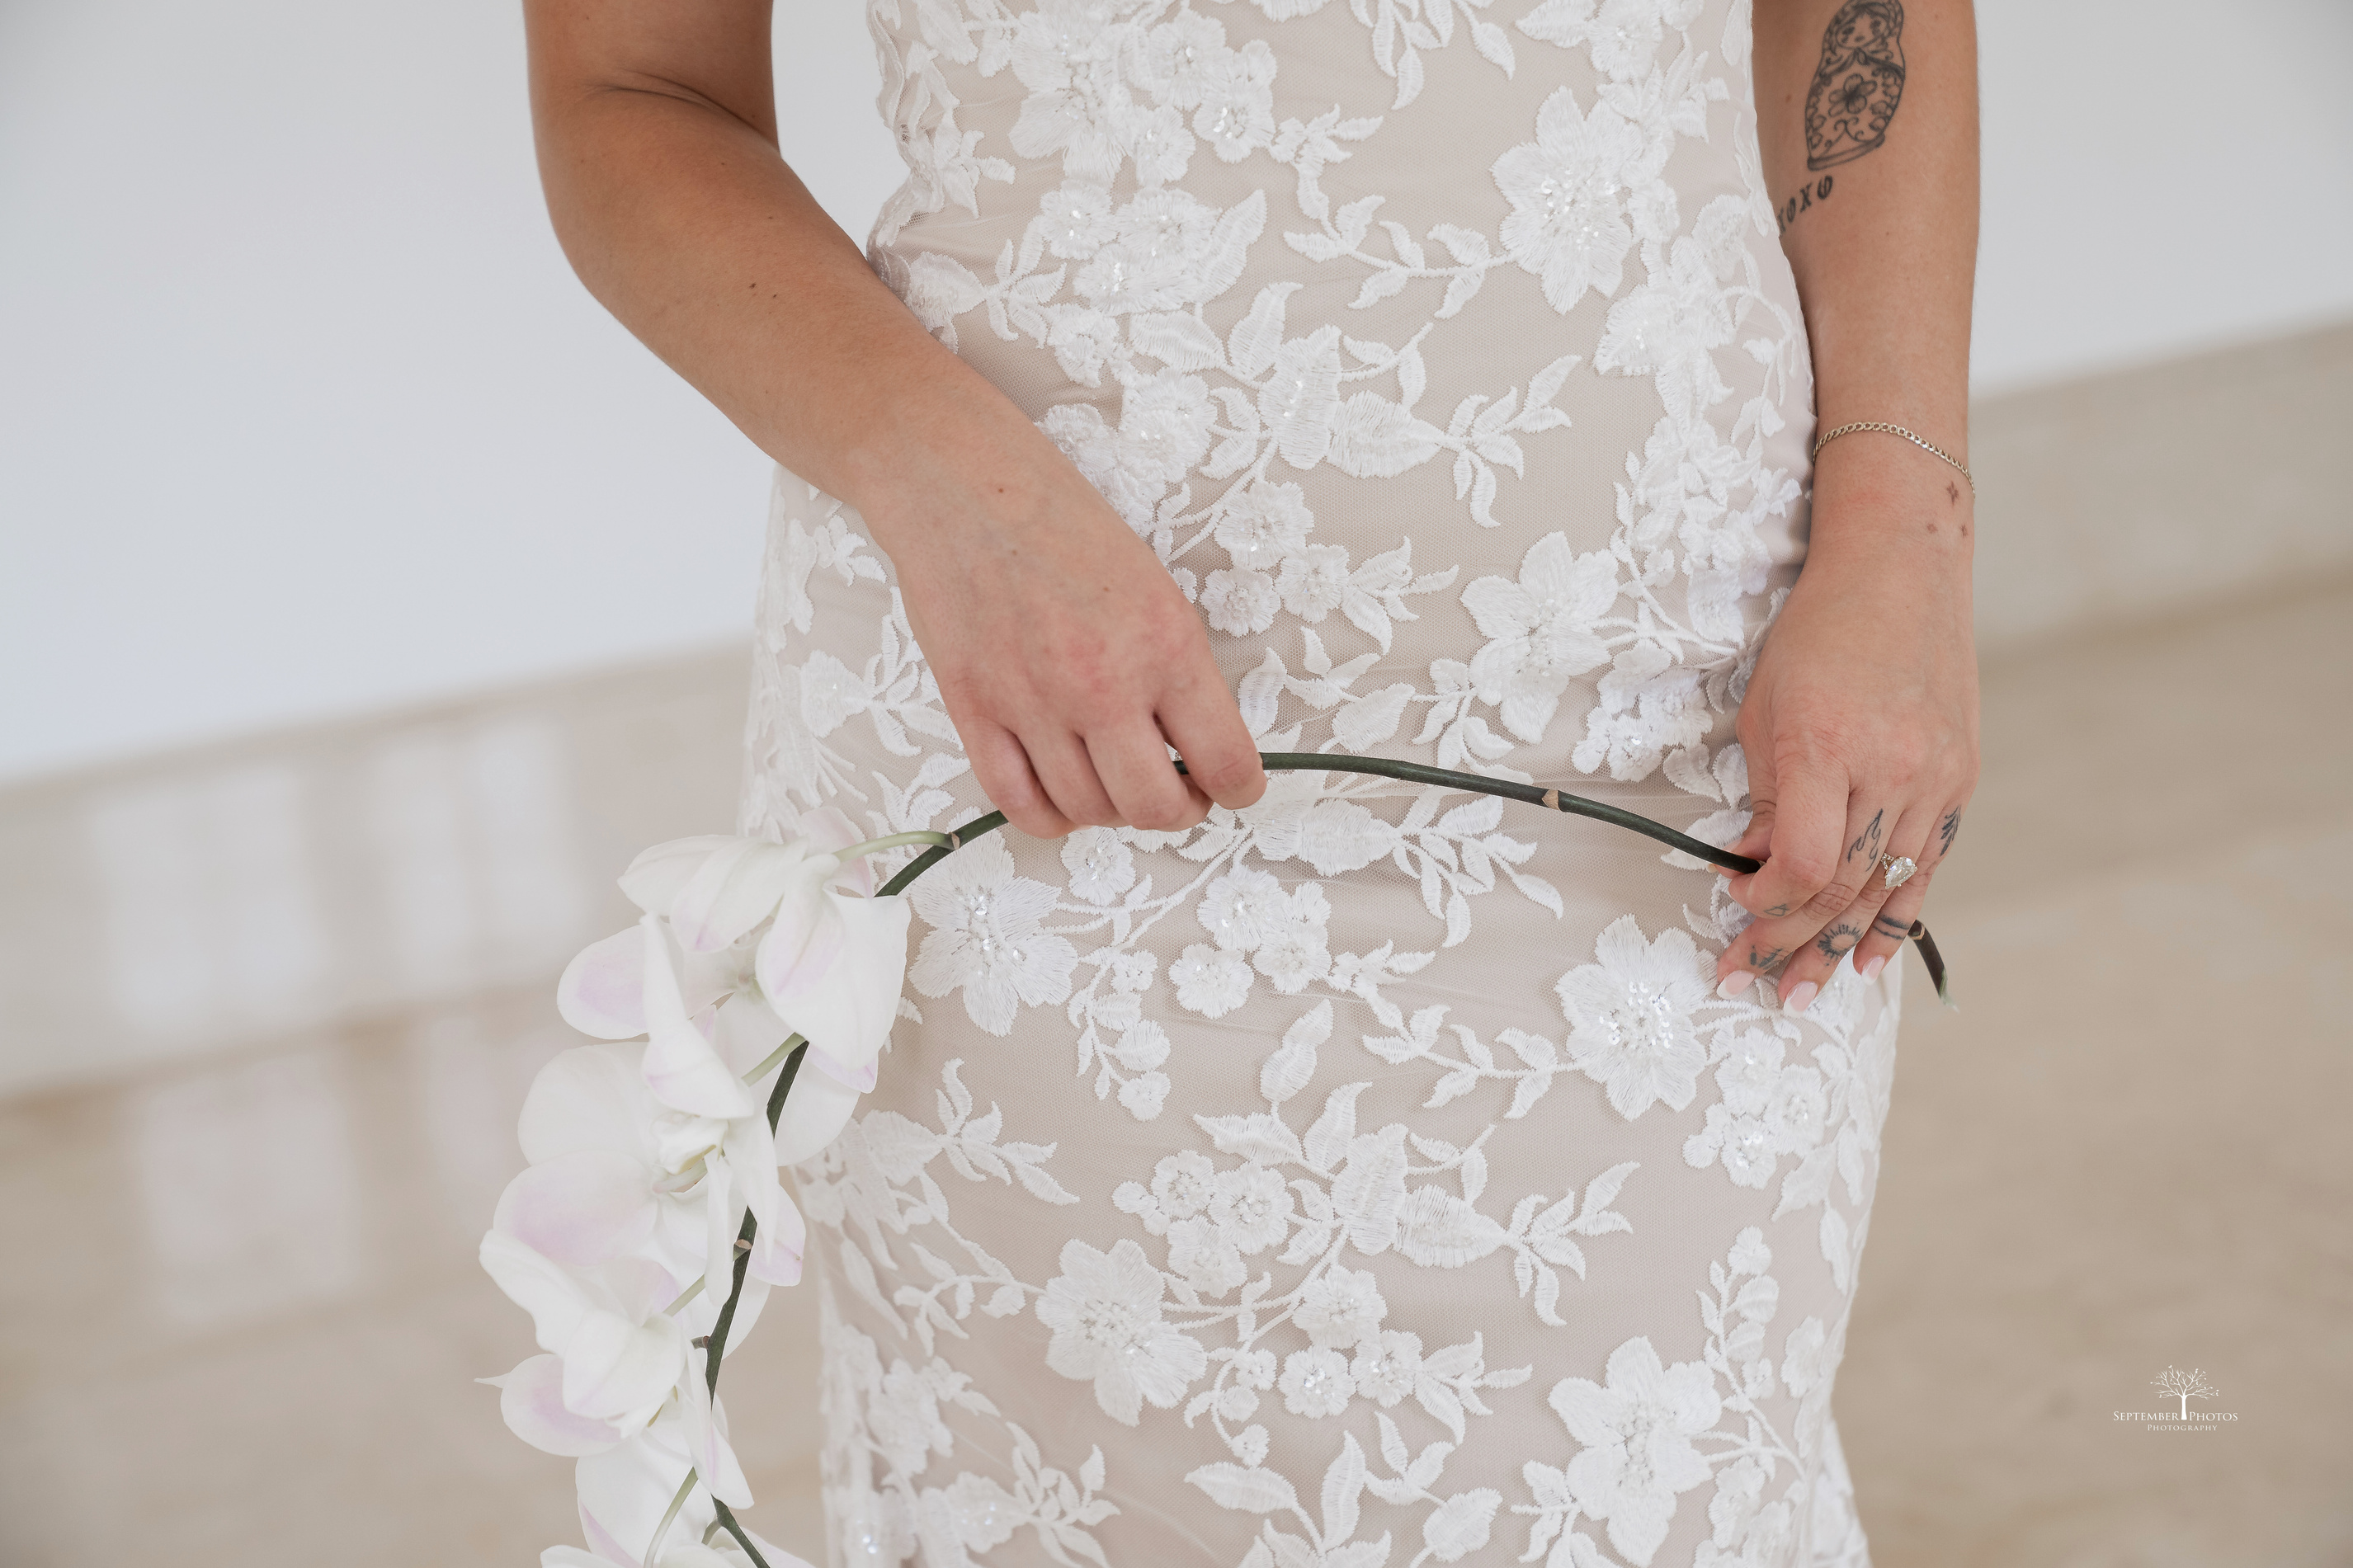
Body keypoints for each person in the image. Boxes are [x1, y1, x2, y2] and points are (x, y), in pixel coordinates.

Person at [523, 0, 1978, 1559]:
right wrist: (950, 493)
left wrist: (1906, 530)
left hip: (1666, 737)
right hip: (1040, 763)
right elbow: (634, 88)